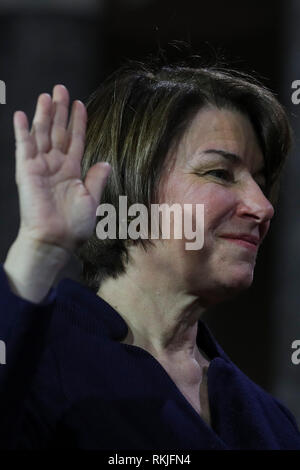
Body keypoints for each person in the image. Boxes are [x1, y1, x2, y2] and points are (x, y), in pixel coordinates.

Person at [1, 60, 300, 450]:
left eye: (261, 183)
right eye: (220, 173)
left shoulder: (272, 421)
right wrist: (40, 247)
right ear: (131, 187)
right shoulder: (38, 358)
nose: (262, 207)